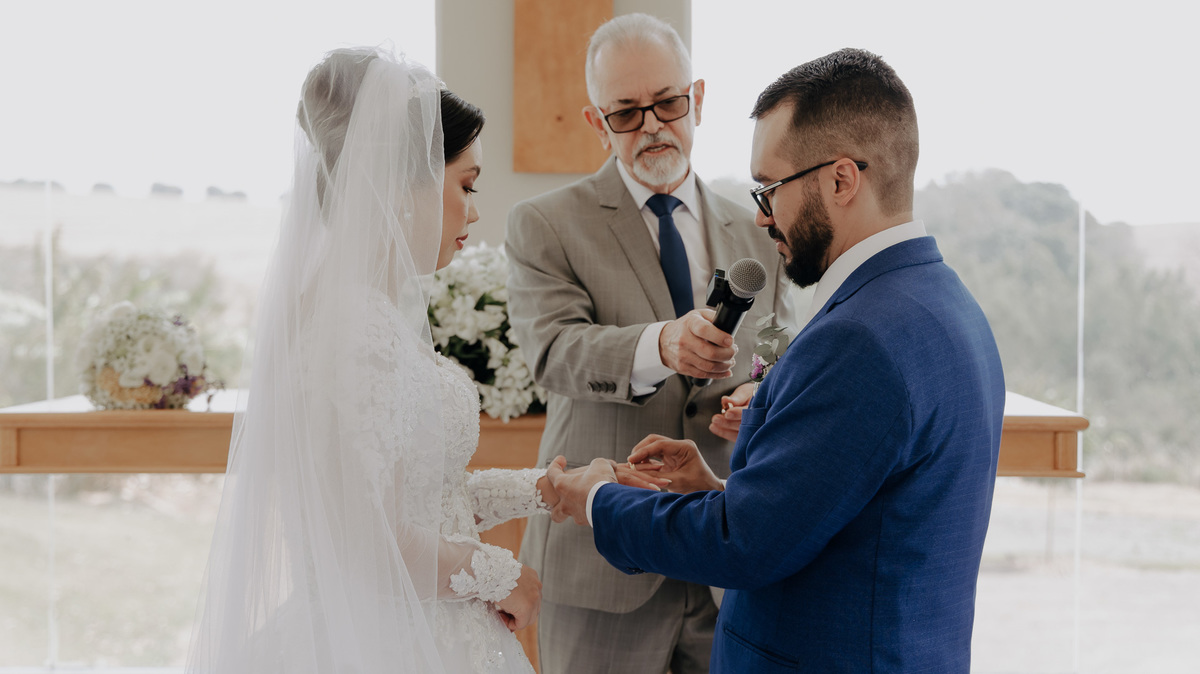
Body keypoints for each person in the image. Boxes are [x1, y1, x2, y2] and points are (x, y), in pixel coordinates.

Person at [546, 48, 1007, 673]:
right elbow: (847, 511)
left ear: (841, 180)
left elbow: (746, 544)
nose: (762, 216)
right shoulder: (947, 304)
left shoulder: (859, 337)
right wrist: (719, 489)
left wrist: (599, 499)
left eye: (771, 189)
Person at [185, 47, 573, 674]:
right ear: (401, 187)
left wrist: (546, 488)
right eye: (466, 185)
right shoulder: (353, 330)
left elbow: (424, 496)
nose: (474, 211)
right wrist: (501, 575)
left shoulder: (365, 314)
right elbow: (370, 544)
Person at [504, 13, 794, 674]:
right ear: (594, 122)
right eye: (626, 113)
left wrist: (760, 391)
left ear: (697, 98)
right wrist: (661, 345)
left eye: (667, 103)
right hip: (601, 560)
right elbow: (552, 353)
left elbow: (779, 352)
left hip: (726, 549)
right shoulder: (543, 224)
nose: (653, 126)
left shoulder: (757, 229)